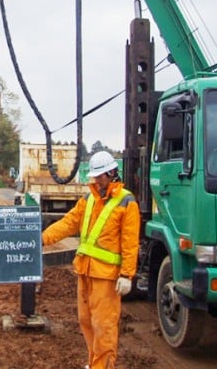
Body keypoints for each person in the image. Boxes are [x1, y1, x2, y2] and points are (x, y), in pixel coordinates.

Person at [42, 151, 140, 369]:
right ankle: (94, 363)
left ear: (112, 173)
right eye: (95, 176)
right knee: (86, 322)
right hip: (85, 272)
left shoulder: (126, 201)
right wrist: (42, 238)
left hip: (106, 277)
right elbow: (68, 223)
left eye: (101, 176)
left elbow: (130, 242)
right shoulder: (88, 200)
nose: (97, 180)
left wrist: (127, 274)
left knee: (103, 325)